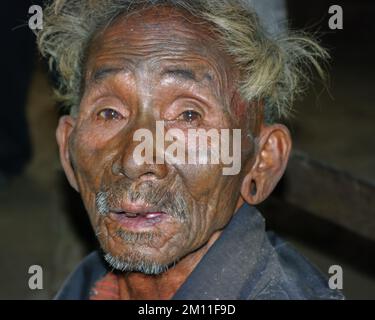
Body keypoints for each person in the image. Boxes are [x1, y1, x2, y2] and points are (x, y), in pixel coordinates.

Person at [36, 0, 343, 300]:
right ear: (68, 152)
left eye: (188, 116)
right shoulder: (91, 280)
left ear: (261, 162)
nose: (134, 159)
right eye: (109, 113)